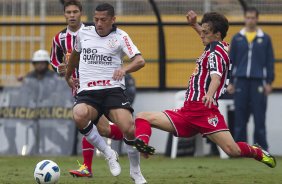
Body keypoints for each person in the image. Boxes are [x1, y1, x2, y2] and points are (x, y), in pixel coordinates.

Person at [133, 10, 276, 170]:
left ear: (217, 34)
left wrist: (209, 94)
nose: (201, 34)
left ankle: (256, 151)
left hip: (204, 111)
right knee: (142, 117)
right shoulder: (221, 46)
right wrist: (194, 24)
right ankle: (142, 144)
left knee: (232, 150)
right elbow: (207, 35)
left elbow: (216, 77)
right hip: (187, 112)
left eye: (205, 32)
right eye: (202, 31)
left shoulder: (215, 53)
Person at [65, 3, 147, 183]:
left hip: (113, 90)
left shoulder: (121, 36)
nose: (99, 24)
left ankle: (135, 171)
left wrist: (124, 69)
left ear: (113, 20)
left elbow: (140, 61)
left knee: (129, 128)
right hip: (89, 91)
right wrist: (68, 76)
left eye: (103, 20)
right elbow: (74, 57)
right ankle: (109, 153)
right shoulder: (83, 34)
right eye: (96, 20)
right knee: (79, 115)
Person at [50, 0, 124, 178]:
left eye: (75, 12)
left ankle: (131, 135)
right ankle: (131, 135)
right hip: (78, 86)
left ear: (81, 13)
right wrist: (60, 69)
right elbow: (54, 60)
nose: (72, 15)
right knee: (97, 127)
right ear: (64, 15)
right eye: (68, 12)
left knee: (92, 124)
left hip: (100, 86)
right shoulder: (59, 38)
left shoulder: (93, 31)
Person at [227, 7, 274, 151]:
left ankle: (261, 149)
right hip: (240, 82)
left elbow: (269, 62)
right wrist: (230, 82)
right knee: (240, 117)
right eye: (248, 17)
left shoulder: (265, 39)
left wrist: (269, 82)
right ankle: (240, 150)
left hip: (258, 82)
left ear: (257, 19)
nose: (250, 20)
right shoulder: (237, 38)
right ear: (244, 18)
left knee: (259, 117)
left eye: (253, 17)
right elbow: (230, 62)